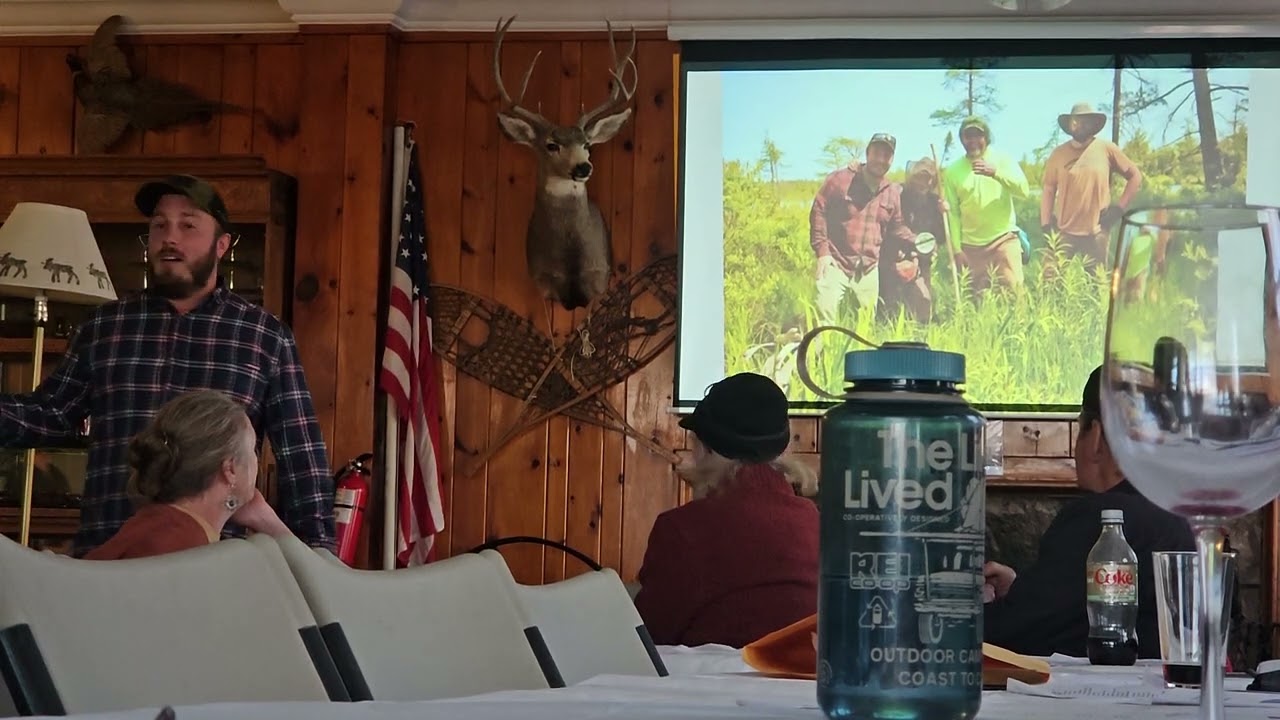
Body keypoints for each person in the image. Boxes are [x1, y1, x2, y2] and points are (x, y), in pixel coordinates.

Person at [0, 174, 335, 557]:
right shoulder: (104, 327)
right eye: (159, 225)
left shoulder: (264, 336)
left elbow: (301, 459)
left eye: (188, 225)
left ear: (221, 245)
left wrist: (319, 560)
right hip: (108, 553)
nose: (170, 237)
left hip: (214, 564)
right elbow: (51, 414)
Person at [982, 366, 1195, 658]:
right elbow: (1074, 606)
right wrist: (1020, 590)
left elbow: (1012, 632)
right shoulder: (1175, 513)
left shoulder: (1106, 519)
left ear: (1095, 436)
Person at [633, 372, 818, 648]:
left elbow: (648, 638)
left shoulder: (683, 530)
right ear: (782, 447)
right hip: (806, 685)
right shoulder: (812, 520)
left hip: (712, 687)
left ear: (707, 449)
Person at [85, 390, 290, 560]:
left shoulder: (150, 527)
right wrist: (273, 527)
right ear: (231, 470)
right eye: (253, 449)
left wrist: (265, 519)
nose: (255, 461)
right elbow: (317, 594)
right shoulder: (195, 554)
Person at [809, 133, 916, 323]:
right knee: (822, 322)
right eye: (877, 153)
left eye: (887, 155)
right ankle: (815, 352)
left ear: (892, 159)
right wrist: (822, 252)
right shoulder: (840, 180)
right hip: (836, 262)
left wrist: (919, 242)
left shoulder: (891, 192)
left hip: (868, 268)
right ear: (867, 154)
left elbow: (897, 228)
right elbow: (819, 210)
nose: (881, 160)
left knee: (864, 327)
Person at [1041, 102, 1143, 270]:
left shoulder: (1106, 149)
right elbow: (1049, 189)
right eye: (1075, 121)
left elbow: (1135, 176)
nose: (1080, 125)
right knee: (1050, 282)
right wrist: (1046, 225)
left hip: (1097, 231)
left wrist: (1118, 209)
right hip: (1063, 231)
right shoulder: (1058, 154)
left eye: (1085, 121)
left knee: (1097, 285)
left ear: (1093, 124)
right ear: (1069, 124)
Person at [941, 116, 1030, 297]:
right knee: (975, 300)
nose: (973, 141)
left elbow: (1024, 190)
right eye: (968, 136)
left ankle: (1018, 325)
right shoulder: (952, 171)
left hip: (1003, 240)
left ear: (986, 138)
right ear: (962, 139)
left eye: (978, 136)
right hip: (970, 247)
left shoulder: (1003, 160)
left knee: (1014, 294)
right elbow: (954, 214)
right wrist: (957, 250)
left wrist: (996, 173)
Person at [882, 157, 946, 323]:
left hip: (922, 260)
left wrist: (943, 214)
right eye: (920, 177)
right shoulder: (897, 194)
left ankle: (921, 333)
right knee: (890, 306)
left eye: (928, 179)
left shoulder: (934, 202)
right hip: (893, 258)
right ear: (912, 177)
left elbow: (940, 237)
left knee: (922, 302)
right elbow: (890, 227)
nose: (923, 183)